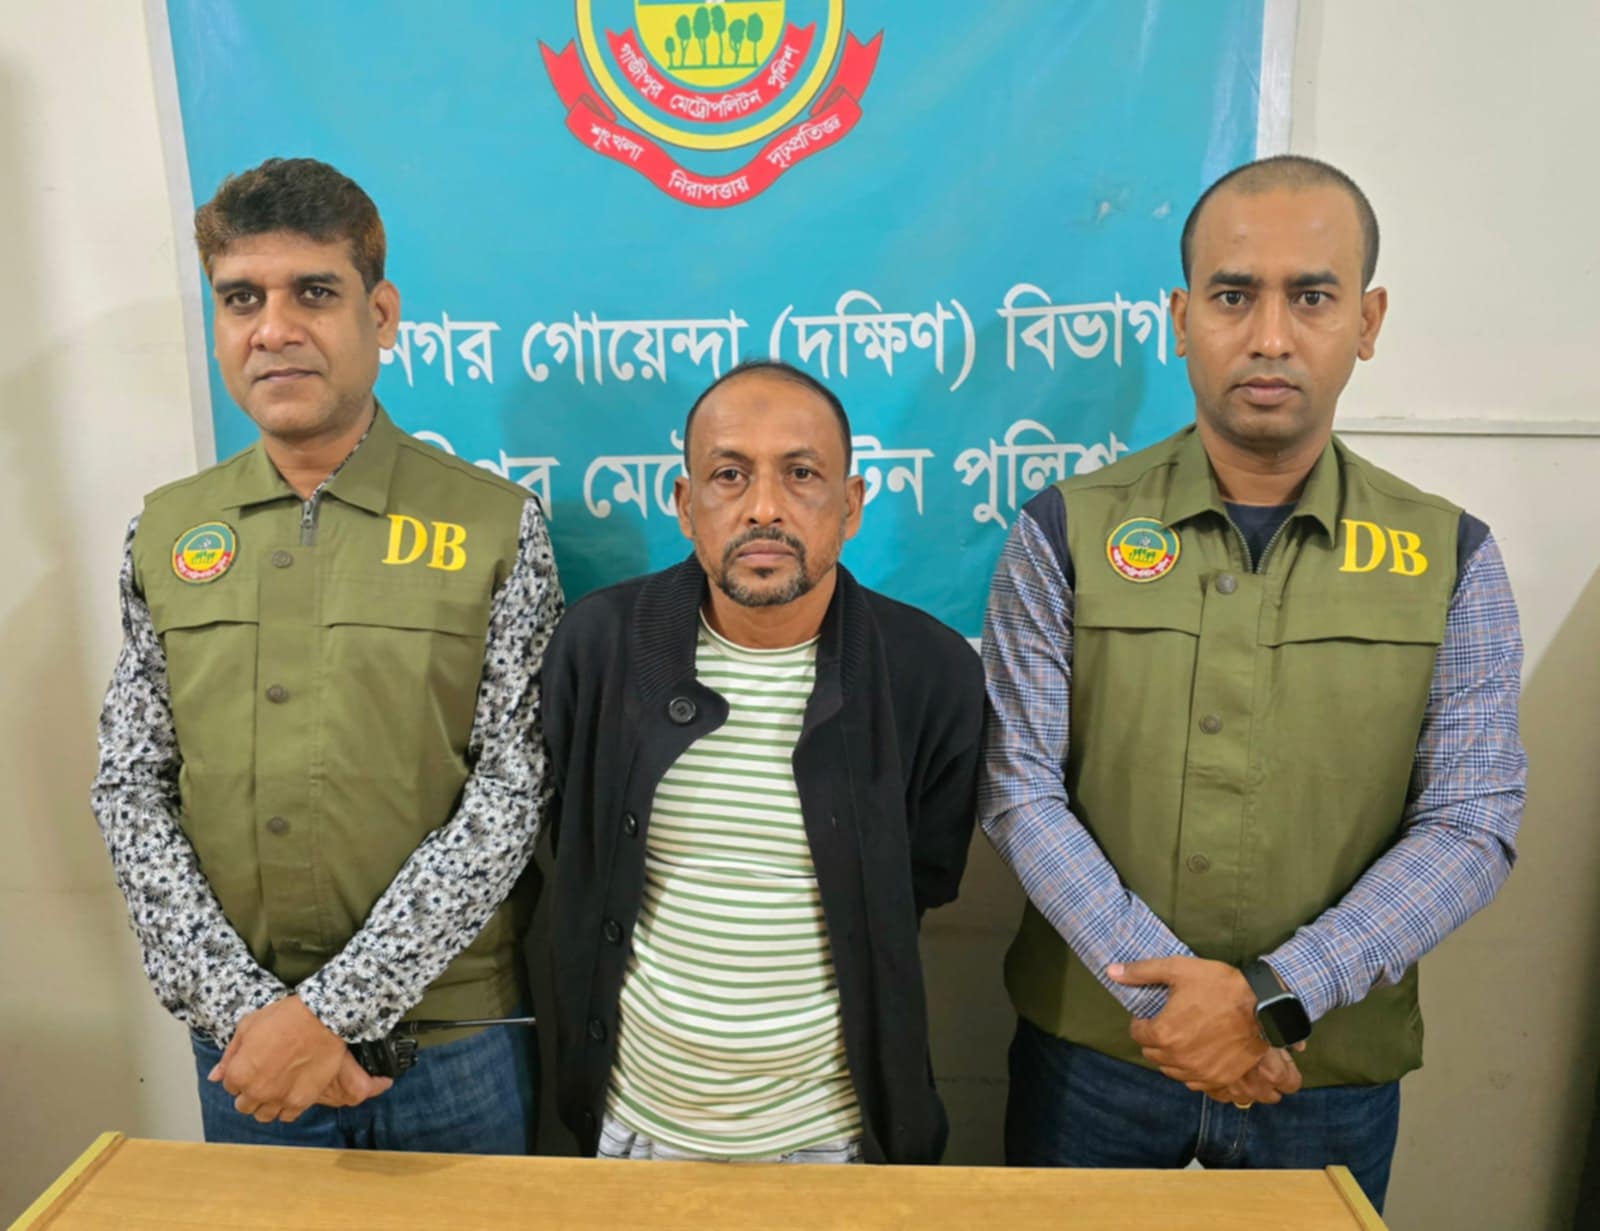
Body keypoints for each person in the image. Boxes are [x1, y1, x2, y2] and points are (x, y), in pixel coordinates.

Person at [978, 154, 1525, 1210]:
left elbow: (1473, 819)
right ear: (1183, 318)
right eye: (1234, 296)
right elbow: (1018, 790)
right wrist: (1174, 1006)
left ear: (1366, 321)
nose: (1270, 335)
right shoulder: (1065, 532)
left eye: (1311, 297)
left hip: (1322, 1073)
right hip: (1097, 1061)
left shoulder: (1449, 556)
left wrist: (1271, 997)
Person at [90, 157, 562, 1153]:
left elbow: (515, 790)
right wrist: (256, 1016)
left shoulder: (494, 525)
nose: (274, 328)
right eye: (241, 299)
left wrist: (329, 1012)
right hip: (247, 1053)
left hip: (451, 1045)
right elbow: (131, 786)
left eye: (313, 292)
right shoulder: (165, 533)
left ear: (379, 315)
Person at [540, 360, 983, 1164]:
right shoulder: (599, 648)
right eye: (730, 475)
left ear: (851, 506)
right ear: (685, 505)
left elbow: (920, 878)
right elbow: (576, 844)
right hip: (634, 1130)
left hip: (835, 1141)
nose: (765, 508)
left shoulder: (931, 672)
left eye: (802, 473)